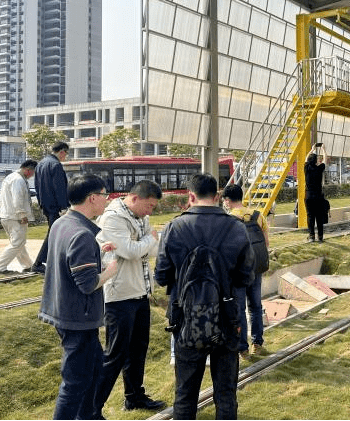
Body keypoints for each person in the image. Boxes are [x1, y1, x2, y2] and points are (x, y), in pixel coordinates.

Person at [154, 173, 254, 420]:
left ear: (190, 196)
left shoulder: (173, 228)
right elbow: (246, 277)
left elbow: (161, 276)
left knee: (185, 393)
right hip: (227, 319)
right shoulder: (236, 228)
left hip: (186, 319)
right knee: (226, 393)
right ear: (218, 196)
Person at [38, 174, 118, 420]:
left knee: (94, 369)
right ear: (92, 198)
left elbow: (68, 261)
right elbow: (88, 284)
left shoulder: (62, 223)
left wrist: (95, 253)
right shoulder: (82, 234)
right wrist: (109, 272)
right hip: (77, 318)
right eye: (104, 195)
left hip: (62, 310)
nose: (106, 200)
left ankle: (89, 416)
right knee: (74, 383)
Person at [91, 180, 166, 417]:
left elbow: (150, 250)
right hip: (120, 294)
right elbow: (130, 251)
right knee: (115, 354)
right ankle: (92, 408)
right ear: (134, 198)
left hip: (141, 290)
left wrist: (145, 242)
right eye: (150, 206)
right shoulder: (112, 218)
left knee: (138, 350)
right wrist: (148, 241)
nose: (150, 212)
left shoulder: (139, 217)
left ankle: (134, 397)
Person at [222, 183, 270, 359]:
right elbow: (266, 243)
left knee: (239, 309)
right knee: (256, 306)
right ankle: (257, 343)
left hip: (237, 273)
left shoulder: (228, 220)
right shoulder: (258, 216)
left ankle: (242, 348)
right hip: (256, 268)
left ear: (227, 201)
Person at [0, 159, 38, 274]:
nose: (32, 175)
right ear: (28, 170)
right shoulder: (18, 180)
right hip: (14, 217)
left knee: (19, 243)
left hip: (7, 215)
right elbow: (18, 199)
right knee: (17, 243)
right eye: (33, 172)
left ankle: (28, 266)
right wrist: (22, 215)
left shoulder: (11, 177)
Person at [32, 141, 70, 273]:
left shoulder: (40, 164)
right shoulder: (56, 165)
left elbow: (37, 187)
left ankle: (49, 262)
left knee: (55, 233)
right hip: (56, 207)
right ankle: (39, 263)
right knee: (55, 234)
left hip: (46, 205)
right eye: (66, 154)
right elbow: (59, 188)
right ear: (62, 152)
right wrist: (64, 207)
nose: (65, 157)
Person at [304, 143, 327, 242]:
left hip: (309, 196)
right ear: (316, 161)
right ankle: (320, 237)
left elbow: (306, 159)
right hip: (318, 197)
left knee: (310, 216)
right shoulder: (319, 169)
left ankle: (311, 236)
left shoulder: (307, 168)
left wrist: (312, 150)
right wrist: (323, 150)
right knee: (319, 216)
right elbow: (325, 160)